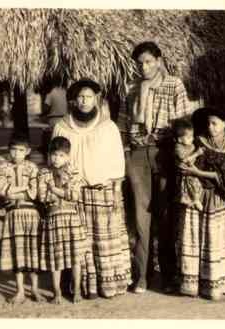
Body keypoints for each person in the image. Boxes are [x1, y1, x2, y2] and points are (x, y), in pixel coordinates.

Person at [122, 41, 192, 293]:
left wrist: (176, 146)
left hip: (165, 153)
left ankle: (170, 276)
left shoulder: (174, 84)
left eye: (149, 61)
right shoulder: (131, 88)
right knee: (141, 218)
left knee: (165, 216)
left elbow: (184, 122)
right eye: (140, 63)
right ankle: (142, 275)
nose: (144, 67)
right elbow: (123, 124)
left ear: (159, 61)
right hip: (138, 154)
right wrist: (127, 151)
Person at [52, 78, 131, 298]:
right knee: (80, 241)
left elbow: (117, 161)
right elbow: (56, 160)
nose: (84, 101)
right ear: (74, 100)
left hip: (103, 192)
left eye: (88, 97)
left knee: (105, 238)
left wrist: (116, 192)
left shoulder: (108, 127)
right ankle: (85, 287)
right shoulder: (62, 127)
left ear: (96, 99)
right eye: (80, 97)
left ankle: (108, 285)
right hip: (75, 195)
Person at [176, 107, 225, 300]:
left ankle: (217, 283)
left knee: (214, 238)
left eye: (215, 123)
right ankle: (194, 283)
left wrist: (197, 173)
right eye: (209, 123)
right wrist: (188, 168)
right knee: (194, 235)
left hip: (216, 197)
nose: (211, 127)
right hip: (197, 195)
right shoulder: (200, 141)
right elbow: (186, 158)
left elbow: (224, 177)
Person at [38, 136, 89, 304]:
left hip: (71, 219)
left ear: (68, 156)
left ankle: (77, 292)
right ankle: (57, 293)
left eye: (61, 155)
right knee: (56, 259)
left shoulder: (74, 172)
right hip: (53, 219)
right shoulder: (44, 172)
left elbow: (74, 196)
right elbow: (43, 196)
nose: (56, 159)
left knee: (75, 257)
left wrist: (54, 189)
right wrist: (61, 192)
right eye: (53, 155)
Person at [0, 135, 42, 304]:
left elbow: (34, 192)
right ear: (9, 151)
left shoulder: (32, 168)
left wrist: (13, 191)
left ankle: (35, 288)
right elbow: (1, 190)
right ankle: (20, 290)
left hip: (30, 214)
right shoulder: (2, 167)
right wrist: (23, 189)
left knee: (32, 251)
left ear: (27, 151)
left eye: (21, 150)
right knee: (17, 252)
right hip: (13, 215)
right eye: (13, 150)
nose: (17, 154)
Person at [173, 119, 204, 211]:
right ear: (179, 139)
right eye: (189, 137)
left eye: (192, 136)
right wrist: (197, 153)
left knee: (196, 183)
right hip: (184, 171)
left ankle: (193, 199)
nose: (192, 139)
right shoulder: (178, 147)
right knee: (191, 183)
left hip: (191, 168)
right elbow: (184, 159)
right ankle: (195, 199)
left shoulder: (191, 145)